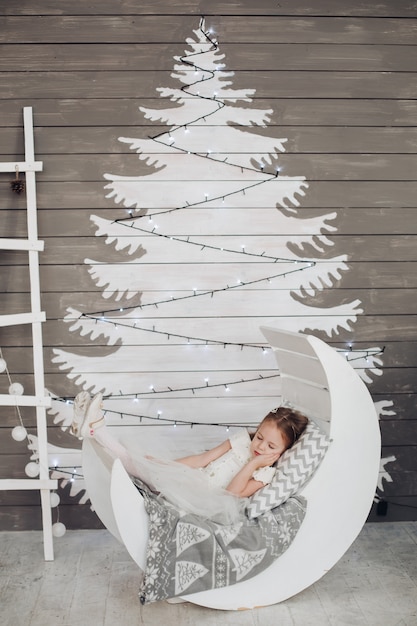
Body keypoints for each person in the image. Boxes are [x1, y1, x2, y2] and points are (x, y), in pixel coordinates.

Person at [72, 392, 308, 523]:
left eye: (270, 446)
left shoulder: (265, 473)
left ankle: (96, 431)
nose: (260, 446)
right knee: (145, 464)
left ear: (282, 452)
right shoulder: (241, 442)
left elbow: (233, 493)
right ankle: (95, 431)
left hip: (207, 499)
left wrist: (255, 462)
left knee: (138, 469)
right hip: (194, 479)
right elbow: (203, 458)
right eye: (259, 437)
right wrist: (168, 465)